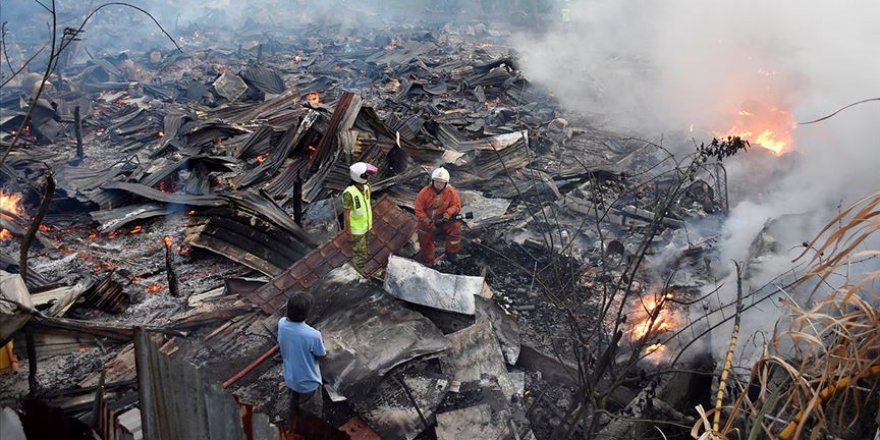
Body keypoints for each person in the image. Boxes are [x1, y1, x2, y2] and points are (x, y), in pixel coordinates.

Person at [278, 293, 327, 427]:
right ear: (307, 313)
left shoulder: (281, 323)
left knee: (293, 406)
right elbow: (322, 356)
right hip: (308, 382)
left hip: (290, 378)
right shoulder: (313, 335)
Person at [414, 167, 463, 265]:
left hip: (444, 220)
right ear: (432, 181)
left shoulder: (451, 192)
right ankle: (428, 260)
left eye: (441, 182)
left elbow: (457, 205)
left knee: (456, 227)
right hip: (427, 222)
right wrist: (427, 221)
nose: (439, 184)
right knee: (424, 238)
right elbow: (418, 209)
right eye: (437, 182)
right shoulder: (424, 192)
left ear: (446, 183)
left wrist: (449, 212)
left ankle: (451, 253)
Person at [342, 162, 378, 273]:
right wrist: (348, 232)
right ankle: (358, 273)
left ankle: (359, 267)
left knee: (364, 249)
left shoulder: (367, 187)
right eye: (366, 175)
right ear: (359, 176)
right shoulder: (349, 193)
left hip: (366, 226)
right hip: (356, 230)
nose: (368, 177)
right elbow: (347, 214)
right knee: (360, 254)